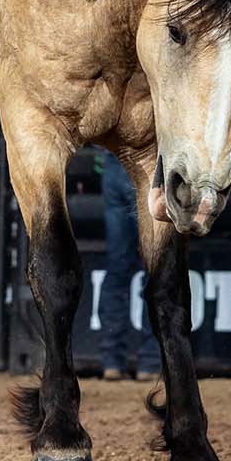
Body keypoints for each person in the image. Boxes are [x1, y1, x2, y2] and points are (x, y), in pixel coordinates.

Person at [96, 150, 160, 382]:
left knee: (117, 268)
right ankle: (150, 361)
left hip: (116, 162)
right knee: (153, 270)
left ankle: (112, 360)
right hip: (148, 164)